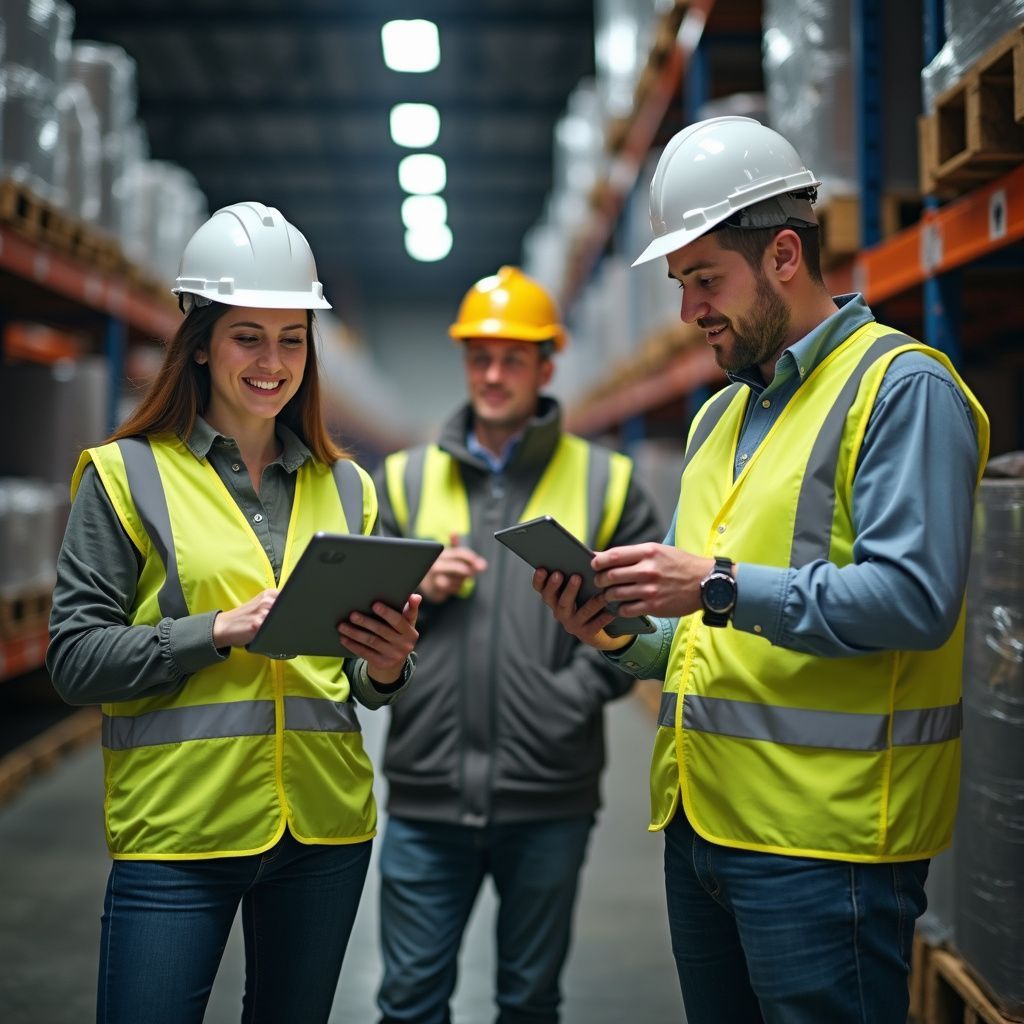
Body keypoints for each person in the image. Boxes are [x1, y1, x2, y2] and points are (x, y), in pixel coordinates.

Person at [532, 116, 991, 1024]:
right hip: (702, 832)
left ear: (785, 254)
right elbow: (713, 638)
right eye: (681, 284)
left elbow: (916, 600)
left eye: (706, 280)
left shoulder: (900, 388)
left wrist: (713, 583)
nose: (688, 310)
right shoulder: (717, 421)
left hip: (830, 850)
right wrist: (623, 635)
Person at [46, 201, 421, 1024]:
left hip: (324, 830)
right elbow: (74, 659)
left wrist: (386, 662)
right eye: (248, 335)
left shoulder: (350, 487)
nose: (272, 361)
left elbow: (359, 677)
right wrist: (215, 631)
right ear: (203, 339)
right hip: (179, 831)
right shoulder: (125, 476)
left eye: (292, 338)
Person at [372, 265, 662, 1024]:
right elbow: (362, 636)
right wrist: (417, 591)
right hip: (426, 789)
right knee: (407, 1003)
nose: (493, 374)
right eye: (479, 357)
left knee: (529, 1003)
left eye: (512, 357)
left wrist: (569, 698)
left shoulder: (609, 482)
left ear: (546, 362)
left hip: (550, 791)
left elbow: (647, 629)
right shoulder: (402, 482)